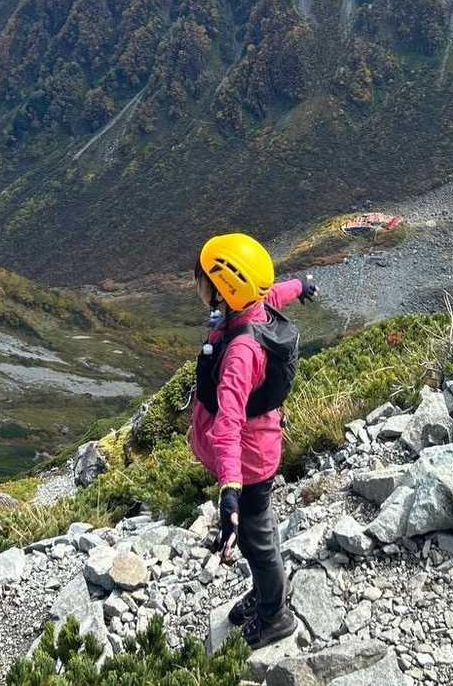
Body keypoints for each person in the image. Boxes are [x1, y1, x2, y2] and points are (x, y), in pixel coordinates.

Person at [188, 232, 318, 649]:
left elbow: (228, 424)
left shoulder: (240, 354)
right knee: (259, 534)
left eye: (202, 277)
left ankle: (275, 615)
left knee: (255, 540)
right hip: (255, 454)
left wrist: (230, 488)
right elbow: (271, 295)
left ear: (224, 289)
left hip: (248, 466)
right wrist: (300, 286)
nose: (196, 282)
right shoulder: (249, 310)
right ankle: (267, 593)